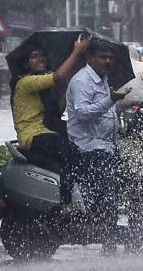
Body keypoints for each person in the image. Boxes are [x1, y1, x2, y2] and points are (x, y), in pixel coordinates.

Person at [66, 39, 130, 243]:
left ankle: (124, 230)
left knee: (132, 178)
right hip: (88, 146)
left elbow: (106, 110)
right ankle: (106, 236)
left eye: (110, 58)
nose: (107, 61)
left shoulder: (103, 79)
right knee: (106, 194)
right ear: (90, 58)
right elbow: (83, 113)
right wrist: (111, 100)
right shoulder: (82, 81)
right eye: (102, 57)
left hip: (106, 145)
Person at [11, 34, 91, 182]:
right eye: (34, 57)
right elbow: (58, 77)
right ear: (26, 63)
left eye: (42, 55)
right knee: (71, 152)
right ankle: (67, 200)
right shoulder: (25, 82)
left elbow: (57, 111)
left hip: (47, 130)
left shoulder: (43, 85)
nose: (40, 59)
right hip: (33, 135)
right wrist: (76, 52)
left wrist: (68, 85)